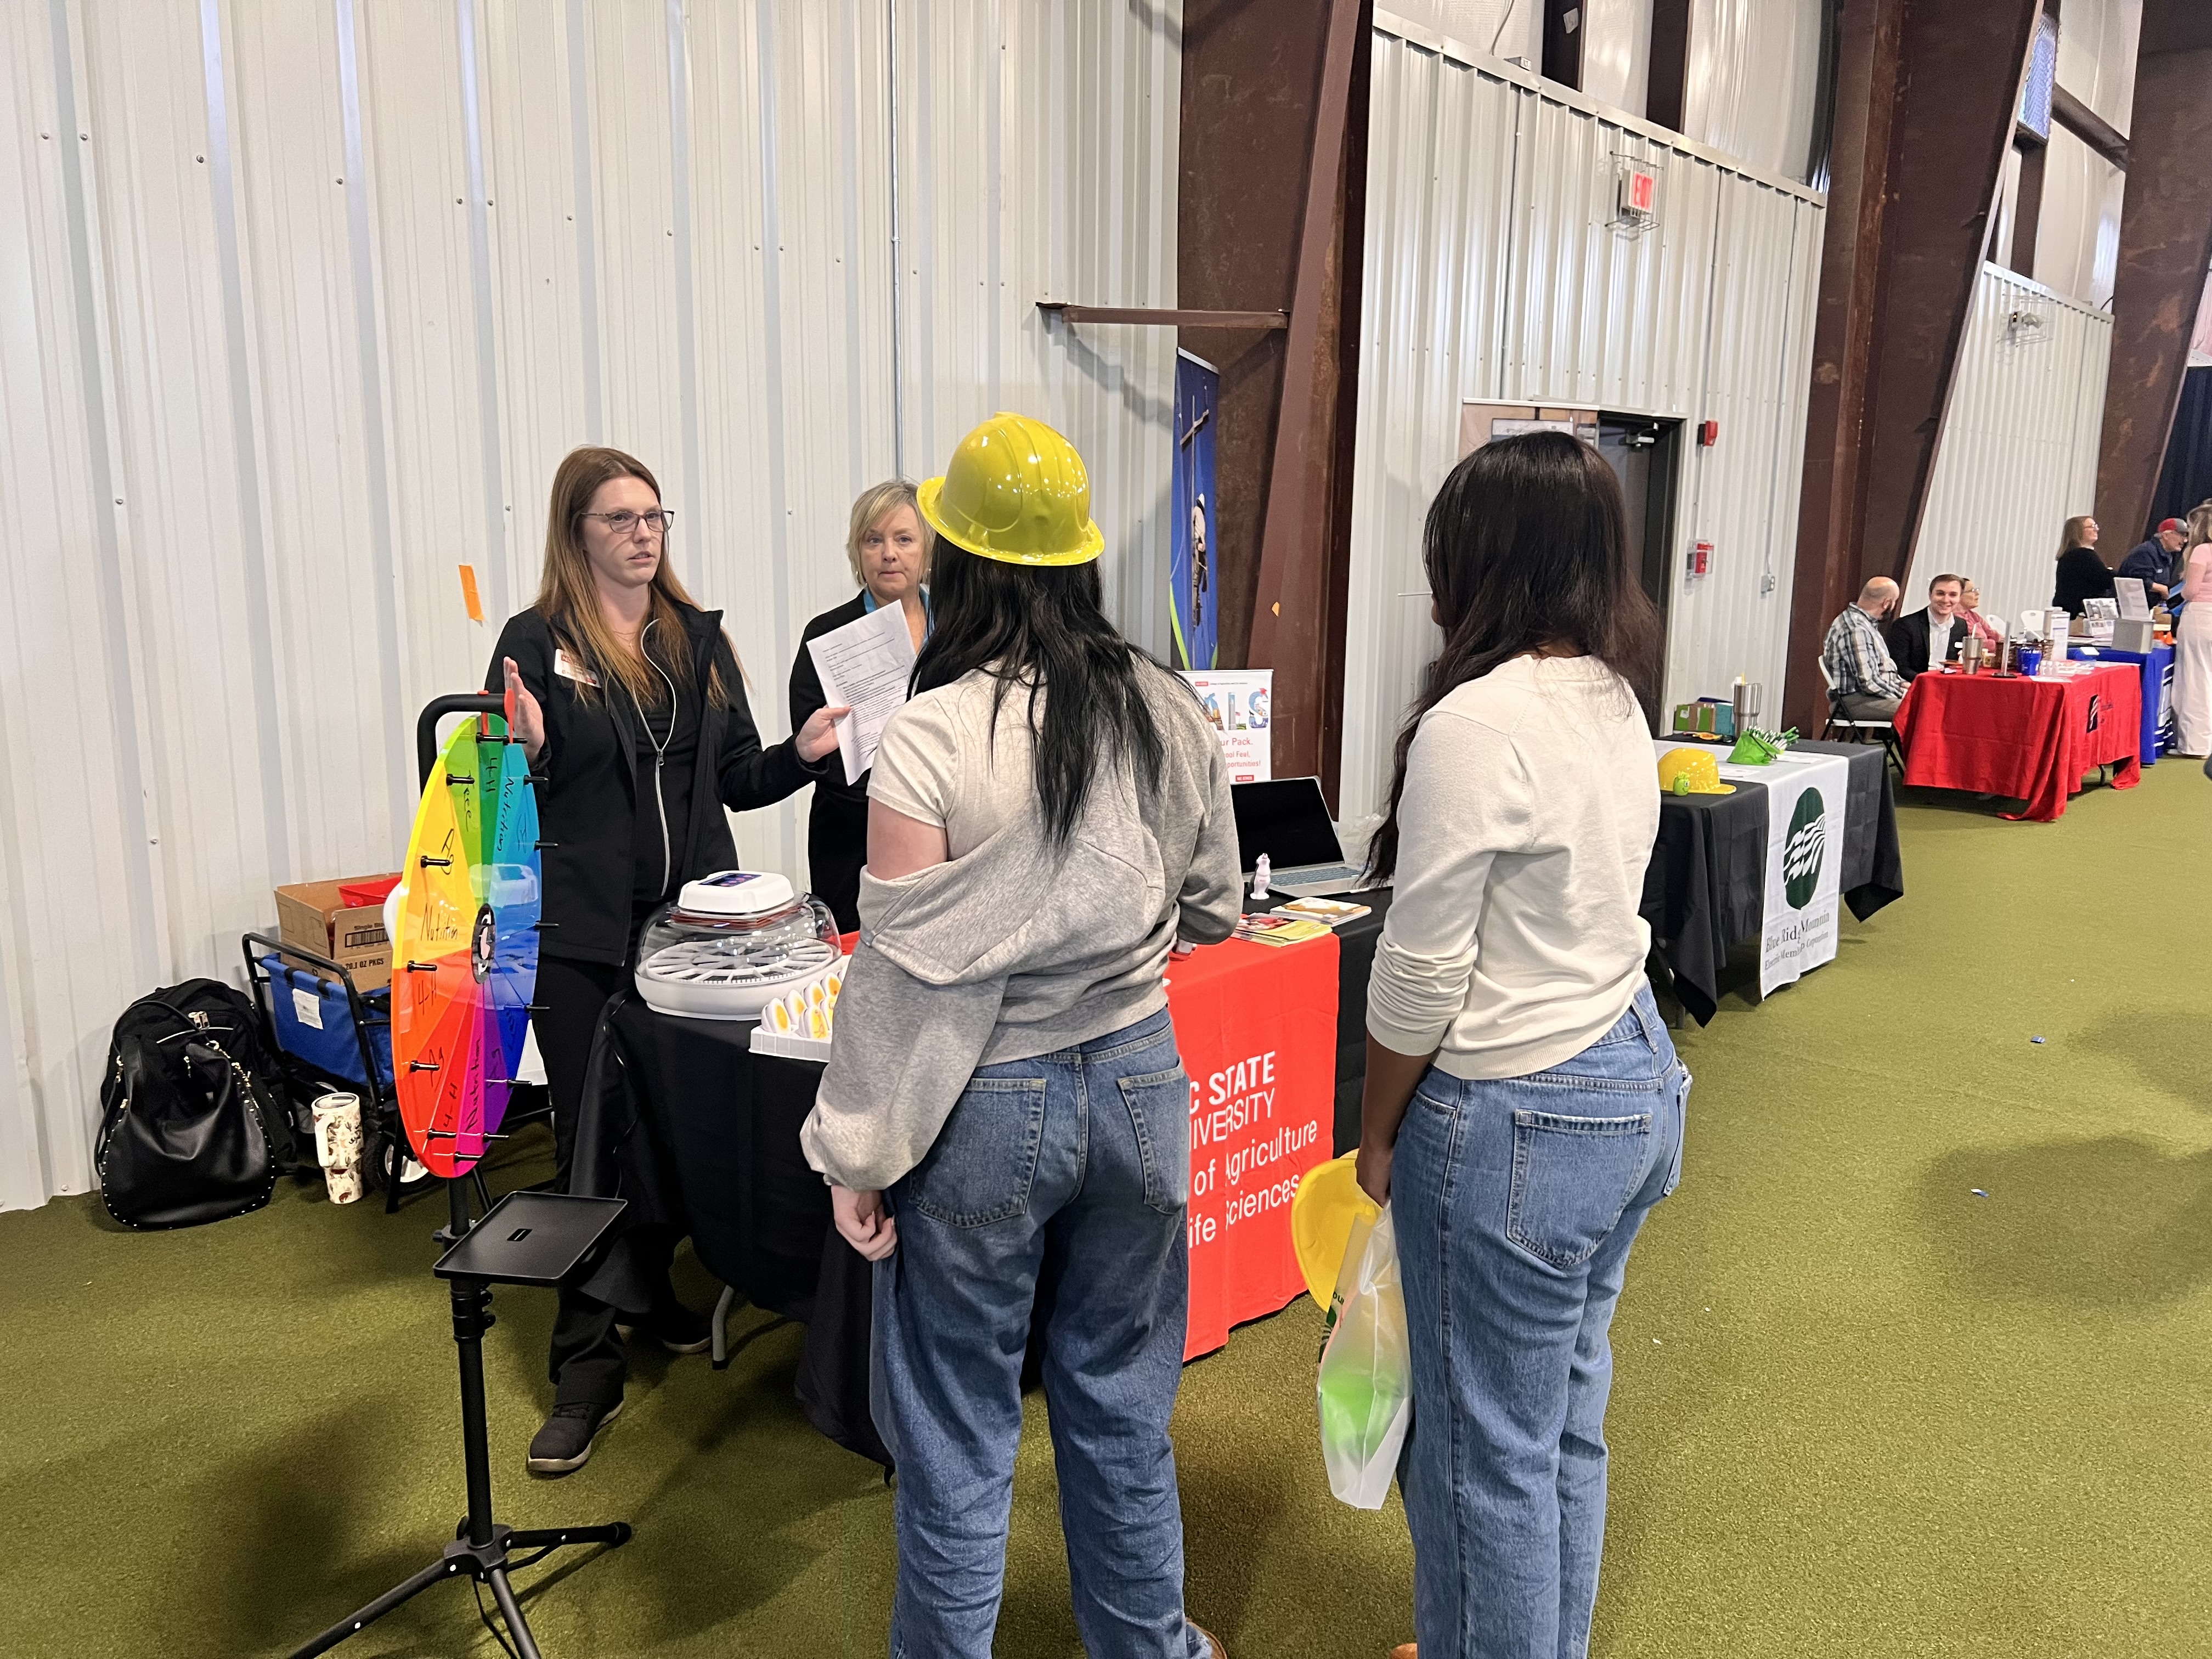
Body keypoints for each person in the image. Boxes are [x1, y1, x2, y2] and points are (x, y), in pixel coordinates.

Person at [800, 413, 1242, 1659]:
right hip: (1144, 1086)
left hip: (987, 1107)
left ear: (958, 563)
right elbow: (1214, 904)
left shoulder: (931, 735)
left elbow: (902, 977)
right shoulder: (1164, 702)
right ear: (1079, 557)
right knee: (1120, 1402)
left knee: (956, 1428)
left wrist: (858, 1154)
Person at [1351, 430, 1682, 1659]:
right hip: (1629, 1075)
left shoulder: (1477, 724)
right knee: (1558, 1425)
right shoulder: (1611, 694)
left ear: (1477, 559)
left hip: (1518, 1114)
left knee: (1478, 1452)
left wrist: (1377, 1133)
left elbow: (1423, 969)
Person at [487, 446, 847, 1475]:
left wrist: (803, 753)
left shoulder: (697, 639)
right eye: (620, 519)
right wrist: (530, 748)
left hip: (696, 938)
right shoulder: (535, 641)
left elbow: (734, 777)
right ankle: (585, 1367)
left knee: (690, 1123)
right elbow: (516, 778)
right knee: (587, 1145)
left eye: (654, 517)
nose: (644, 534)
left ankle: (657, 1290)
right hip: (581, 936)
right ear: (578, 534)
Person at [789, 480, 934, 932]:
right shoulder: (827, 634)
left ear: (927, 550)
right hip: (851, 840)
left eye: (904, 539)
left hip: (949, 846)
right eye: (874, 540)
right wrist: (899, 816)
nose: (889, 553)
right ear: (858, 553)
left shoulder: (962, 630)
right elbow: (818, 747)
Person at [1821, 577, 1908, 721]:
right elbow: (1868, 683)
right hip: (1856, 700)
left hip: (1868, 696)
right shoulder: (1856, 629)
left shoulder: (1864, 623)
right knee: (1921, 711)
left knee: (1923, 706)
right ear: (1887, 603)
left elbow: (1881, 670)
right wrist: (1904, 694)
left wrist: (1904, 684)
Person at [2172, 516, 2212, 755]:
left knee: (2195, 679)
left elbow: (2191, 590)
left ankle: (2196, 744)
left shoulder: (2201, 552)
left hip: (2201, 616)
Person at [1886, 572, 1967, 680]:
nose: (1946, 600)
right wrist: (1928, 682)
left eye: (1953, 595)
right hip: (1916, 684)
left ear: (1960, 598)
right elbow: (1899, 667)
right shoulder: (1904, 626)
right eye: (1940, 594)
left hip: (1948, 684)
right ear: (1930, 595)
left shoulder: (1961, 626)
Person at [2051, 515, 2114, 617]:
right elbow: (2105, 580)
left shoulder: (2068, 556)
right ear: (2078, 532)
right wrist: (2114, 574)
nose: (2097, 529)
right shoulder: (2084, 555)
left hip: (2066, 611)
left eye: (2096, 526)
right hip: (2079, 614)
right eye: (2092, 526)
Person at [2118, 518, 2188, 603]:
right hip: (2133, 605)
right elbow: (2137, 582)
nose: (2185, 540)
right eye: (2182, 535)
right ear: (2166, 535)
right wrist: (2162, 589)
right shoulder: (2146, 552)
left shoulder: (2166, 555)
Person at [1957, 578, 2003, 647]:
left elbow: (1992, 634)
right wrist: (1996, 644)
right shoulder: (1956, 619)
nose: (1977, 593)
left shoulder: (1973, 615)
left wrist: (2003, 642)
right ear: (1958, 595)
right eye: (1972, 591)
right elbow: (1977, 643)